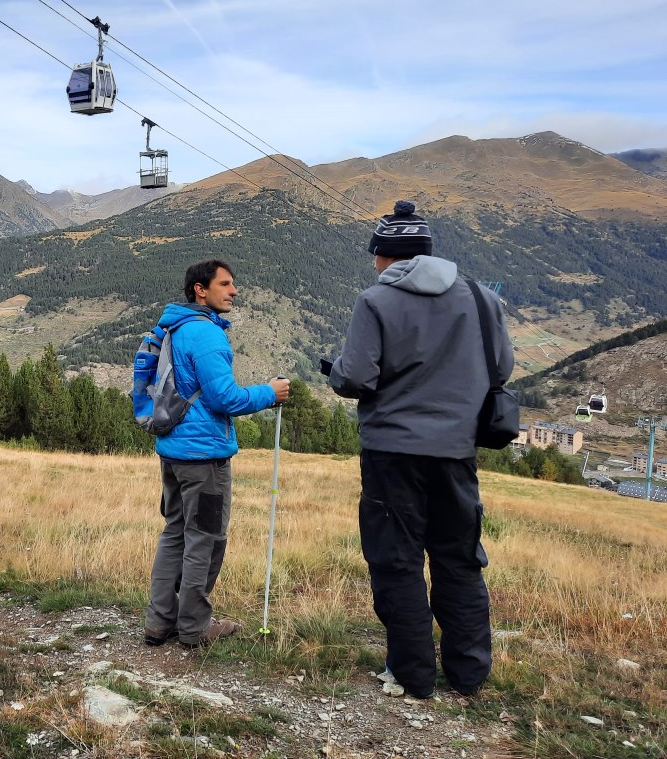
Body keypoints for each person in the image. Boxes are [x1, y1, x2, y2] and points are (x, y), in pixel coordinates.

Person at [326, 201, 513, 699]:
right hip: (456, 452)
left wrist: (336, 370)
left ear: (388, 255)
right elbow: (504, 368)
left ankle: (413, 674)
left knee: (397, 560)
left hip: (392, 452)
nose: (373, 266)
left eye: (375, 256)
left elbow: (358, 377)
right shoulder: (481, 298)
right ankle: (469, 673)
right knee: (460, 558)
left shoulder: (376, 301)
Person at [144, 259, 291, 649]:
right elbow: (224, 397)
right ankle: (194, 628)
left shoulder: (173, 327)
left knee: (175, 533)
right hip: (203, 457)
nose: (233, 290)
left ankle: (159, 622)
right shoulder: (206, 334)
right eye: (225, 284)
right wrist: (269, 392)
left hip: (173, 452)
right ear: (200, 290)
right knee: (204, 539)